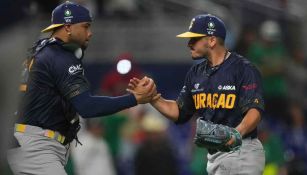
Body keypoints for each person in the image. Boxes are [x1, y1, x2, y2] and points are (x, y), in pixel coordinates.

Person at [7, 1, 157, 175]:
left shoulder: (41, 52)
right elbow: (87, 106)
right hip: (36, 145)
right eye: (85, 26)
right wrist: (134, 98)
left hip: (29, 141)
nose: (90, 33)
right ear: (68, 27)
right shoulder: (60, 56)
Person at [129, 14, 265, 174]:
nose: (189, 44)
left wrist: (237, 133)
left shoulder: (242, 69)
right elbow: (179, 112)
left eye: (195, 39)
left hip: (241, 151)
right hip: (215, 154)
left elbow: (254, 110)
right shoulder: (195, 73)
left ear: (212, 40)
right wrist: (152, 98)